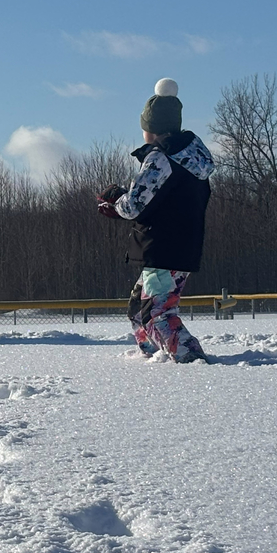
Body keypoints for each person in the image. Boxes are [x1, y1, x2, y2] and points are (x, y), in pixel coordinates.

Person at [97, 78, 214, 363]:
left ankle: (192, 360)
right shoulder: (190, 161)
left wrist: (115, 203)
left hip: (164, 248)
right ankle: (152, 357)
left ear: (150, 128)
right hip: (177, 247)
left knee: (155, 314)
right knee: (138, 310)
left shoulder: (162, 158)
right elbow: (161, 199)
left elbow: (136, 203)